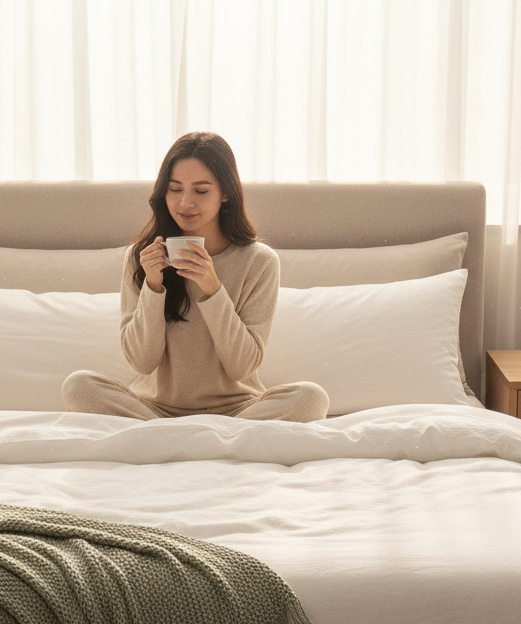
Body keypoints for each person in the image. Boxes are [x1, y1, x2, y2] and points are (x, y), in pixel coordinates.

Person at [62, 132, 329, 422]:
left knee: (311, 397)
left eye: (200, 191)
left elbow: (242, 367)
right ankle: (202, 442)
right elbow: (142, 361)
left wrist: (212, 288)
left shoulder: (259, 261)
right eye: (175, 189)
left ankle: (170, 441)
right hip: (154, 410)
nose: (185, 202)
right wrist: (153, 285)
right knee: (78, 385)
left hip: (236, 411)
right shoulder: (140, 258)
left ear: (225, 193)